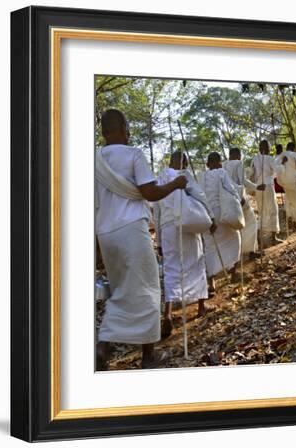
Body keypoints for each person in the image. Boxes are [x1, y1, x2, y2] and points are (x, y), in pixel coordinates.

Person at [95, 109, 187, 370]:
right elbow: (150, 191)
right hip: (131, 229)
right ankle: (148, 356)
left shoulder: (94, 160)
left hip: (105, 233)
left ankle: (103, 349)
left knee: (120, 290)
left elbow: (92, 204)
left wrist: (96, 246)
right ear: (124, 128)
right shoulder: (133, 154)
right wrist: (176, 184)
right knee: (147, 289)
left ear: (103, 132)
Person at [154, 151, 215, 337]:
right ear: (184, 163)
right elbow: (200, 196)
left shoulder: (159, 181)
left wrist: (159, 239)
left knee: (171, 270)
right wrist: (210, 217)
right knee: (196, 263)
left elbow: (155, 212)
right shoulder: (185, 177)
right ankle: (201, 307)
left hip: (167, 228)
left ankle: (168, 315)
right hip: (187, 224)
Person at [199, 152, 243, 292]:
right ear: (219, 163)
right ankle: (233, 272)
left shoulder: (201, 176)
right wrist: (239, 199)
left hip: (206, 216)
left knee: (210, 248)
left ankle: (211, 282)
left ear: (207, 164)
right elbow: (231, 189)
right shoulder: (221, 173)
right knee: (235, 238)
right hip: (221, 214)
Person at [223, 147, 260, 259]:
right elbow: (243, 181)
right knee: (251, 221)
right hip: (240, 197)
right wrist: (256, 187)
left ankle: (236, 254)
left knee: (236, 226)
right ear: (238, 155)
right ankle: (250, 251)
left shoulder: (224, 165)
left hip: (228, 199)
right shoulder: (239, 164)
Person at [251, 139, 282, 244]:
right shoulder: (269, 158)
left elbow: (252, 174)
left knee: (261, 211)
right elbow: (277, 170)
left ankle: (259, 238)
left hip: (259, 187)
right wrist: (283, 163)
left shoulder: (255, 159)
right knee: (273, 209)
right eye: (269, 147)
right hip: (268, 186)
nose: (270, 149)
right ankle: (273, 237)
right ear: (266, 148)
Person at [275, 142, 296, 231]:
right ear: (293, 148)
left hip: (285, 183)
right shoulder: (294, 155)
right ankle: (295, 223)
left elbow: (277, 168)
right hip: (294, 182)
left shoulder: (281, 155)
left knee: (289, 201)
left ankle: (290, 219)